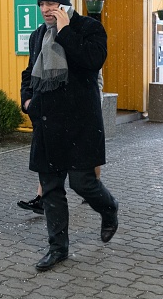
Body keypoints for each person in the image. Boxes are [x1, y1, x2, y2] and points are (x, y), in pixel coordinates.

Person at [20, 0, 118, 271]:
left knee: (82, 182)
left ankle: (109, 208)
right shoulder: (37, 35)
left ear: (65, 4)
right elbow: (29, 72)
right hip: (47, 122)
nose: (47, 9)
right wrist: (27, 101)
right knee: (50, 188)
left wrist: (65, 32)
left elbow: (92, 60)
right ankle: (58, 248)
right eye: (43, 4)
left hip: (80, 124)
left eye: (53, 4)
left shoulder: (89, 28)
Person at [17, 70, 104, 213]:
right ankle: (42, 198)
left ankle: (95, 188)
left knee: (88, 153)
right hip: (58, 110)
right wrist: (28, 101)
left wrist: (92, 105)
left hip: (86, 106)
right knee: (49, 161)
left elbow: (95, 75)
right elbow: (30, 72)